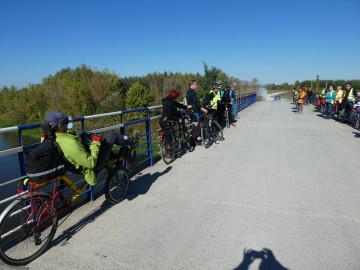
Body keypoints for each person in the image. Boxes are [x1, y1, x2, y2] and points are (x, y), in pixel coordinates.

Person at [43, 110, 137, 186]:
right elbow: (91, 163)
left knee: (104, 143)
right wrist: (95, 142)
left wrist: (78, 135)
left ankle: (121, 155)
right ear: (60, 126)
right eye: (66, 123)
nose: (68, 125)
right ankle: (132, 142)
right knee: (112, 136)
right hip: (92, 166)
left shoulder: (54, 137)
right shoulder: (70, 144)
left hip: (78, 163)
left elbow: (72, 143)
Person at [185, 80, 207, 146]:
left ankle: (196, 138)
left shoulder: (191, 92)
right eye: (195, 84)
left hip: (195, 110)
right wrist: (202, 108)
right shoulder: (191, 92)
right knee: (195, 125)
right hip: (193, 111)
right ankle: (193, 140)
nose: (196, 85)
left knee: (198, 124)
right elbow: (196, 102)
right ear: (192, 85)